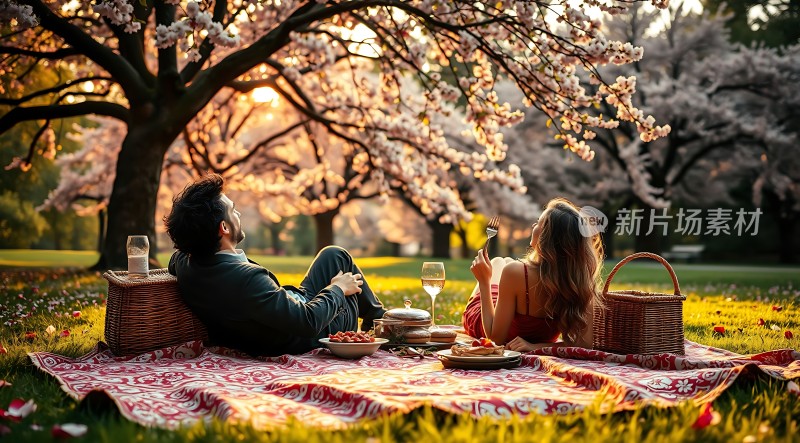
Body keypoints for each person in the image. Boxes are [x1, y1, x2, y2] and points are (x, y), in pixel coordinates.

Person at [164, 174, 386, 356]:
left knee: (334, 255)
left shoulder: (187, 264)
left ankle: (379, 319)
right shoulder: (246, 280)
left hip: (286, 311)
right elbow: (307, 322)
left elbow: (176, 259)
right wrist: (338, 288)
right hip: (309, 332)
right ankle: (382, 324)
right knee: (344, 273)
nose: (238, 214)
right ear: (224, 227)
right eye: (233, 210)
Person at [462, 198, 604, 352]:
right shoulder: (579, 280)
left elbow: (496, 339)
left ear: (547, 238)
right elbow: (584, 344)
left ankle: (493, 274)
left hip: (483, 318)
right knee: (501, 262)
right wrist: (538, 346)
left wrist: (484, 282)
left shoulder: (514, 272)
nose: (533, 226)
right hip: (506, 300)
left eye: (538, 223)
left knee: (498, 263)